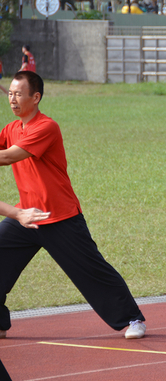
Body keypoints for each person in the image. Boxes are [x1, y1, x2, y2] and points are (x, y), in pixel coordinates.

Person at [0, 71, 146, 340]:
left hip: (60, 216)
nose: (12, 98)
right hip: (26, 216)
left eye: (18, 94)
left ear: (36, 97)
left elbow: (8, 157)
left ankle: (133, 318)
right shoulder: (10, 129)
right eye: (10, 93)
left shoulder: (47, 127)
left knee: (92, 270)